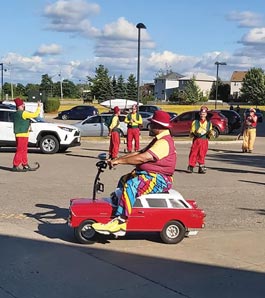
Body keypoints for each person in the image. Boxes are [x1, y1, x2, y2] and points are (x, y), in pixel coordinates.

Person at [92, 110, 177, 236]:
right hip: (149, 175)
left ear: (158, 126)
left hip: (160, 179)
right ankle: (119, 209)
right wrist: (116, 160)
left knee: (132, 183)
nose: (149, 126)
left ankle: (121, 222)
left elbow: (142, 158)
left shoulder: (163, 142)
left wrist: (119, 161)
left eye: (152, 124)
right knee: (124, 179)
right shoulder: (158, 140)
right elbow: (139, 153)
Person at [12, 98, 41, 172]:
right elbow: (35, 114)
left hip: (22, 134)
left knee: (24, 150)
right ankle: (15, 165)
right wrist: (38, 106)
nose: (24, 105)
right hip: (22, 134)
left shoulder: (16, 113)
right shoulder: (23, 113)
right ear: (20, 105)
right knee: (20, 150)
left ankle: (25, 164)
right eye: (23, 104)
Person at [187, 106, 214, 174]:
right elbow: (192, 131)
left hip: (204, 140)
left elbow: (210, 131)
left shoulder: (209, 123)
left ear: (206, 114)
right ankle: (191, 166)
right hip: (197, 139)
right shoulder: (195, 122)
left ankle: (201, 166)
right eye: (201, 113)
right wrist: (195, 132)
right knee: (194, 152)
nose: (202, 115)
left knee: (202, 153)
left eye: (204, 114)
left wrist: (211, 133)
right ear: (199, 114)